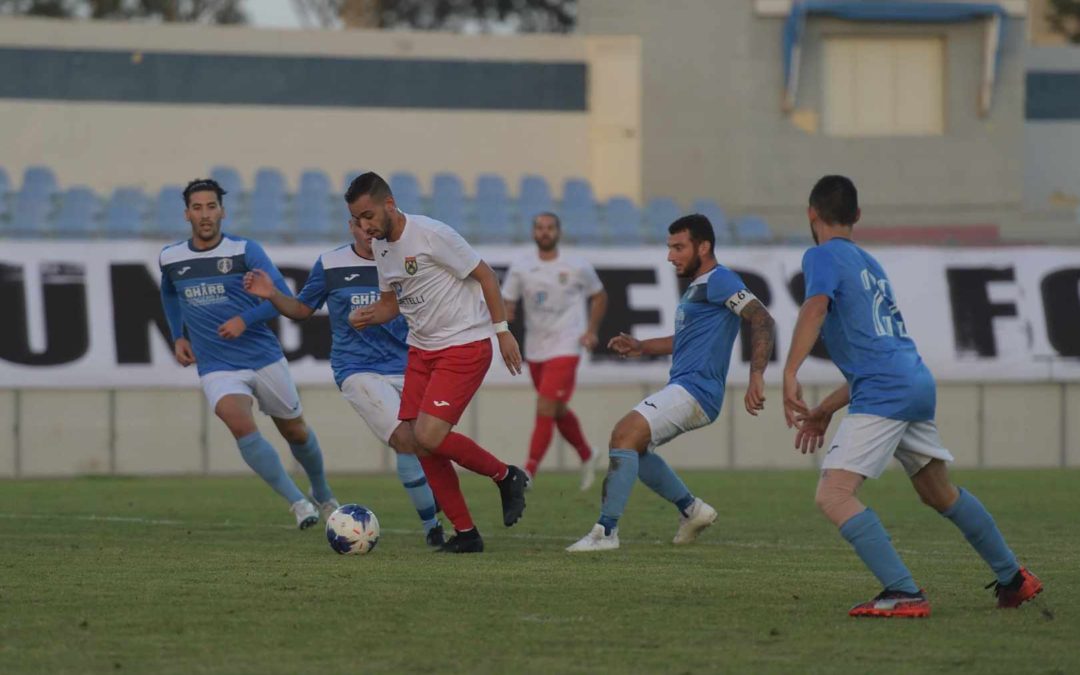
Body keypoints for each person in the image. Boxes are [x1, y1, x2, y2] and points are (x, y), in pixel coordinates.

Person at [782, 175, 1042, 617]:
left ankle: (903, 592)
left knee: (835, 494)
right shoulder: (870, 265)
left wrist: (790, 371)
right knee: (938, 492)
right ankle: (1014, 578)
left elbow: (815, 306)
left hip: (886, 388)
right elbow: (877, 353)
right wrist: (825, 407)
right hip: (912, 380)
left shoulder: (821, 255)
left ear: (811, 213)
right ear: (857, 216)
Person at [566, 214, 776, 552]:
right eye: (669, 248)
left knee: (624, 434)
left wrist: (756, 376)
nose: (670, 256)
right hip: (687, 387)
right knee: (634, 446)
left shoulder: (720, 279)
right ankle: (692, 510)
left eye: (679, 247)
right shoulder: (700, 287)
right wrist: (642, 346)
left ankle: (605, 532)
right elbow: (687, 340)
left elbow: (762, 318)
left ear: (703, 246)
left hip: (697, 391)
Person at [345, 172, 529, 553]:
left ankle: (506, 476)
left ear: (389, 204)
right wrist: (368, 315)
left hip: (463, 345)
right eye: (357, 219)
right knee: (418, 443)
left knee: (429, 436)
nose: (364, 227)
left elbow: (486, 276)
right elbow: (391, 302)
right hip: (422, 350)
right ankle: (466, 534)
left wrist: (503, 331)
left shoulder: (432, 234)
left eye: (368, 216)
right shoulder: (381, 248)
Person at [243, 221, 445, 547]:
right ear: (352, 225)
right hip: (357, 368)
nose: (369, 230)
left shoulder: (404, 260)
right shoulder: (331, 264)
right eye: (361, 223)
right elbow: (302, 309)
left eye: (373, 222)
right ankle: (432, 527)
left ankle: (434, 513)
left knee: (425, 442)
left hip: (409, 365)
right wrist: (272, 294)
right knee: (405, 438)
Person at [159, 178, 338, 529]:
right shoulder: (171, 258)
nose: (205, 214)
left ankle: (322, 492)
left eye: (211, 206)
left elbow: (281, 298)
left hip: (262, 356)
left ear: (222, 211)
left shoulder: (245, 251)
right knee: (238, 423)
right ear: (186, 214)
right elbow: (168, 293)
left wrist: (245, 318)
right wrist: (178, 335)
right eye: (197, 208)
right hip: (216, 364)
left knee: (296, 431)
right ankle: (298, 503)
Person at [501, 211, 608, 489]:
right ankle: (587, 454)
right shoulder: (521, 267)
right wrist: (506, 313)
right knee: (556, 409)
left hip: (567, 344)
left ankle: (529, 471)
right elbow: (507, 301)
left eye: (550, 227)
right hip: (536, 348)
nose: (545, 232)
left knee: (545, 405)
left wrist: (591, 331)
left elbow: (599, 296)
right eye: (539, 228)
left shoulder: (576, 265)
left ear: (558, 232)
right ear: (533, 232)